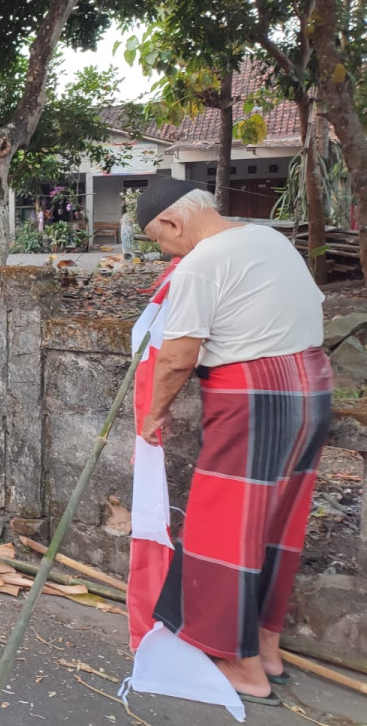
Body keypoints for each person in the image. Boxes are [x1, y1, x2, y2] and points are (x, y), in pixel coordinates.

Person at [137, 180, 330, 706]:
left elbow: (179, 355)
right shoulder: (268, 239)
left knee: (224, 527)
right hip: (310, 387)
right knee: (278, 521)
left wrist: (154, 414)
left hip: (253, 394)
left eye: (158, 240)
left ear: (174, 224)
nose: (163, 252)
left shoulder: (201, 262)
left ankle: (241, 665)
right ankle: (266, 646)